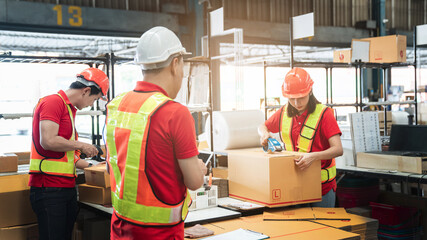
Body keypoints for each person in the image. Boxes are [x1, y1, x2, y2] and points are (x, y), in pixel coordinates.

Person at [106, 26, 207, 240]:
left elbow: (115, 165)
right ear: (175, 63)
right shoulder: (175, 113)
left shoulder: (116, 106)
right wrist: (199, 168)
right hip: (160, 234)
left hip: (120, 229)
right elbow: (194, 182)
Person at [28, 67, 109, 240]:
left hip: (64, 188)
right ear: (86, 91)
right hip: (48, 188)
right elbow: (48, 140)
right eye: (94, 100)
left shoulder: (69, 110)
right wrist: (81, 144)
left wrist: (94, 166)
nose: (91, 105)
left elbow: (67, 157)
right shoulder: (53, 102)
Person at [258, 67, 343, 208]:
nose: (297, 103)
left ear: (310, 91)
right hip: (295, 185)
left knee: (323, 229)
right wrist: (264, 134)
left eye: (301, 98)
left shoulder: (325, 114)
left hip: (322, 189)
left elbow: (338, 149)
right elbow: (262, 126)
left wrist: (313, 157)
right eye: (292, 99)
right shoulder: (284, 112)